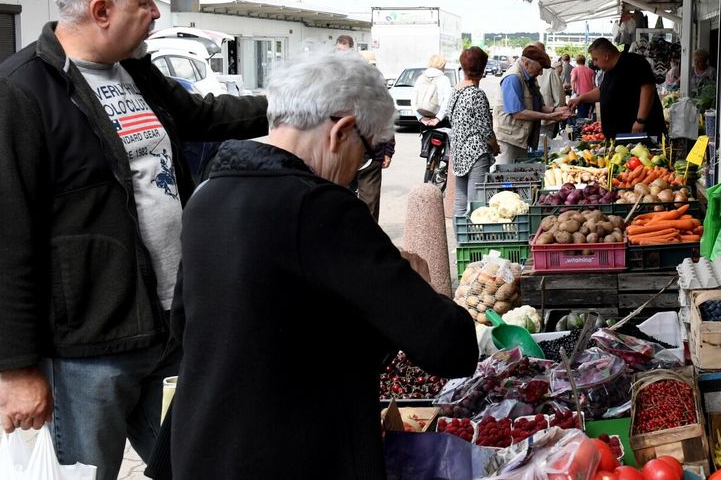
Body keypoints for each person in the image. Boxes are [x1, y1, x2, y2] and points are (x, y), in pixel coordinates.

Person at [0, 0, 269, 479]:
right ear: (101, 9)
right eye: (145, 2)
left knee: (203, 463)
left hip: (171, 328)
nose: (155, 14)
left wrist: (298, 105)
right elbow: (2, 243)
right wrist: (17, 371)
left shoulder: (135, 69)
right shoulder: (16, 96)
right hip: (89, 350)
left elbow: (202, 118)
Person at [169, 52, 478, 479]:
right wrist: (419, 286)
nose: (359, 170)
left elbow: (188, 327)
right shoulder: (320, 208)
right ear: (342, 131)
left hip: (201, 448)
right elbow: (453, 347)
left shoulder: (205, 197)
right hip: (295, 454)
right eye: (367, 154)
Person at [337, 37, 392, 218]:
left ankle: (363, 241)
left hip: (365, 153)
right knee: (362, 205)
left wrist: (388, 150)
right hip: (352, 153)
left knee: (361, 205)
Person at [569, 37, 666, 137]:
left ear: (606, 56)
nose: (594, 63)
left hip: (639, 133)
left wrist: (640, 120)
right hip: (620, 135)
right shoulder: (609, 72)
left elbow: (648, 89)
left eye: (596, 59)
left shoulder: (634, 62)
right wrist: (580, 99)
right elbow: (602, 91)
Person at [493, 45, 567, 164]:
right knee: (507, 177)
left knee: (519, 176)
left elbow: (539, 106)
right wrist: (549, 117)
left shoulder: (530, 77)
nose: (541, 72)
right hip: (508, 141)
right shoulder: (513, 78)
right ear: (526, 63)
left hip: (521, 140)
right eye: (539, 68)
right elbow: (518, 113)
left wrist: (557, 110)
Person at [449, 47, 498, 216]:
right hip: (476, 153)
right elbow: (486, 130)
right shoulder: (477, 94)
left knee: (460, 203)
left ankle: (461, 240)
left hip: (458, 152)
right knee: (476, 203)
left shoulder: (455, 91)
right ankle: (473, 239)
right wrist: (495, 146)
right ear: (482, 69)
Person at [415, 54, 453, 126]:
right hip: (440, 121)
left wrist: (421, 118)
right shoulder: (444, 79)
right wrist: (438, 118)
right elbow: (447, 101)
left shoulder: (420, 78)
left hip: (424, 119)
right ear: (441, 65)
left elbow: (413, 101)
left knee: (426, 137)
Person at [570, 54, 596, 119]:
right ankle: (587, 126)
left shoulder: (575, 70)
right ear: (584, 61)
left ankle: (581, 127)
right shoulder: (591, 70)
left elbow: (573, 80)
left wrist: (573, 90)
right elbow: (593, 83)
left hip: (580, 95)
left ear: (576, 61)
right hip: (590, 95)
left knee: (581, 114)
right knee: (588, 113)